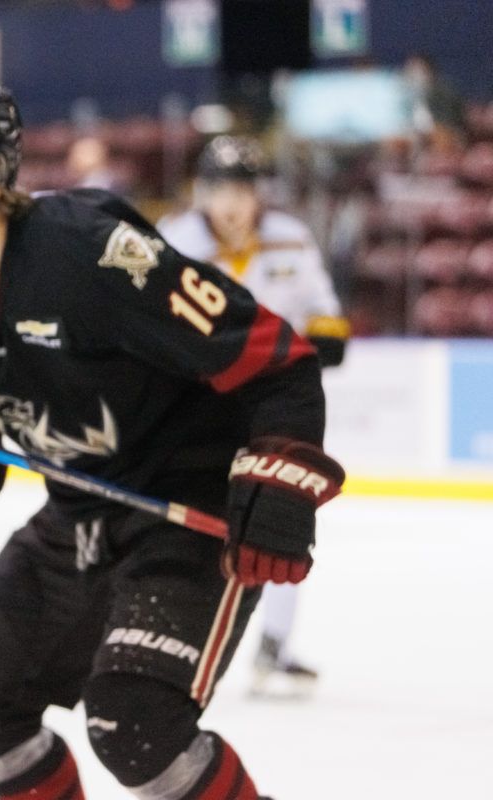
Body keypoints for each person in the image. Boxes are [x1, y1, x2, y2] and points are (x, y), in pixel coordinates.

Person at [0, 78, 345, 800]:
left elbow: (278, 363)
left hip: (185, 505)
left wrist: (281, 489)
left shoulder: (92, 256)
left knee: (137, 726)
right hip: (77, 513)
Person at [158, 134, 350, 697]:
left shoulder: (290, 239)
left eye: (243, 187)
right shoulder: (174, 242)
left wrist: (321, 338)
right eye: (221, 188)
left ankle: (273, 646)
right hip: (198, 405)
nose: (233, 201)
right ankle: (171, 641)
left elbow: (324, 312)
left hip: (273, 404)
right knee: (192, 525)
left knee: (282, 516)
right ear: (202, 192)